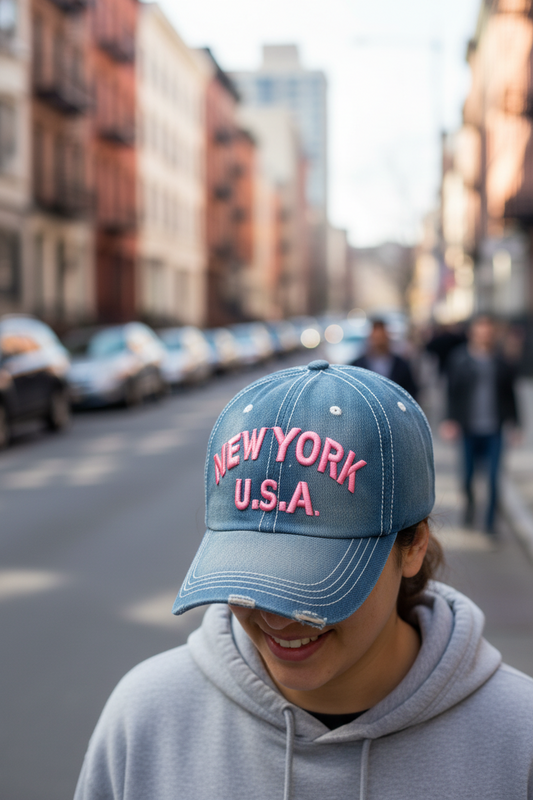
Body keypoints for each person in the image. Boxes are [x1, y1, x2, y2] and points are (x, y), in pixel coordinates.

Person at [74, 361, 533, 800]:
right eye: (249, 573)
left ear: (412, 547)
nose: (274, 614)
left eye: (315, 575)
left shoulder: (517, 739)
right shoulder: (145, 719)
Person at [440, 314, 519, 533]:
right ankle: (470, 507)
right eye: (480, 329)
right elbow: (451, 392)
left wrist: (516, 424)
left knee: (494, 478)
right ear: (473, 332)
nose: (484, 334)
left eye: (488, 330)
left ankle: (490, 522)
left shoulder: (501, 361)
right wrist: (449, 420)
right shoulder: (459, 359)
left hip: (494, 429)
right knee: (467, 477)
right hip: (468, 428)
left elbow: (510, 394)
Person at [352, 318, 418, 398]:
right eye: (376, 338)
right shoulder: (358, 365)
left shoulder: (401, 364)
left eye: (381, 338)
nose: (379, 342)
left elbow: (410, 390)